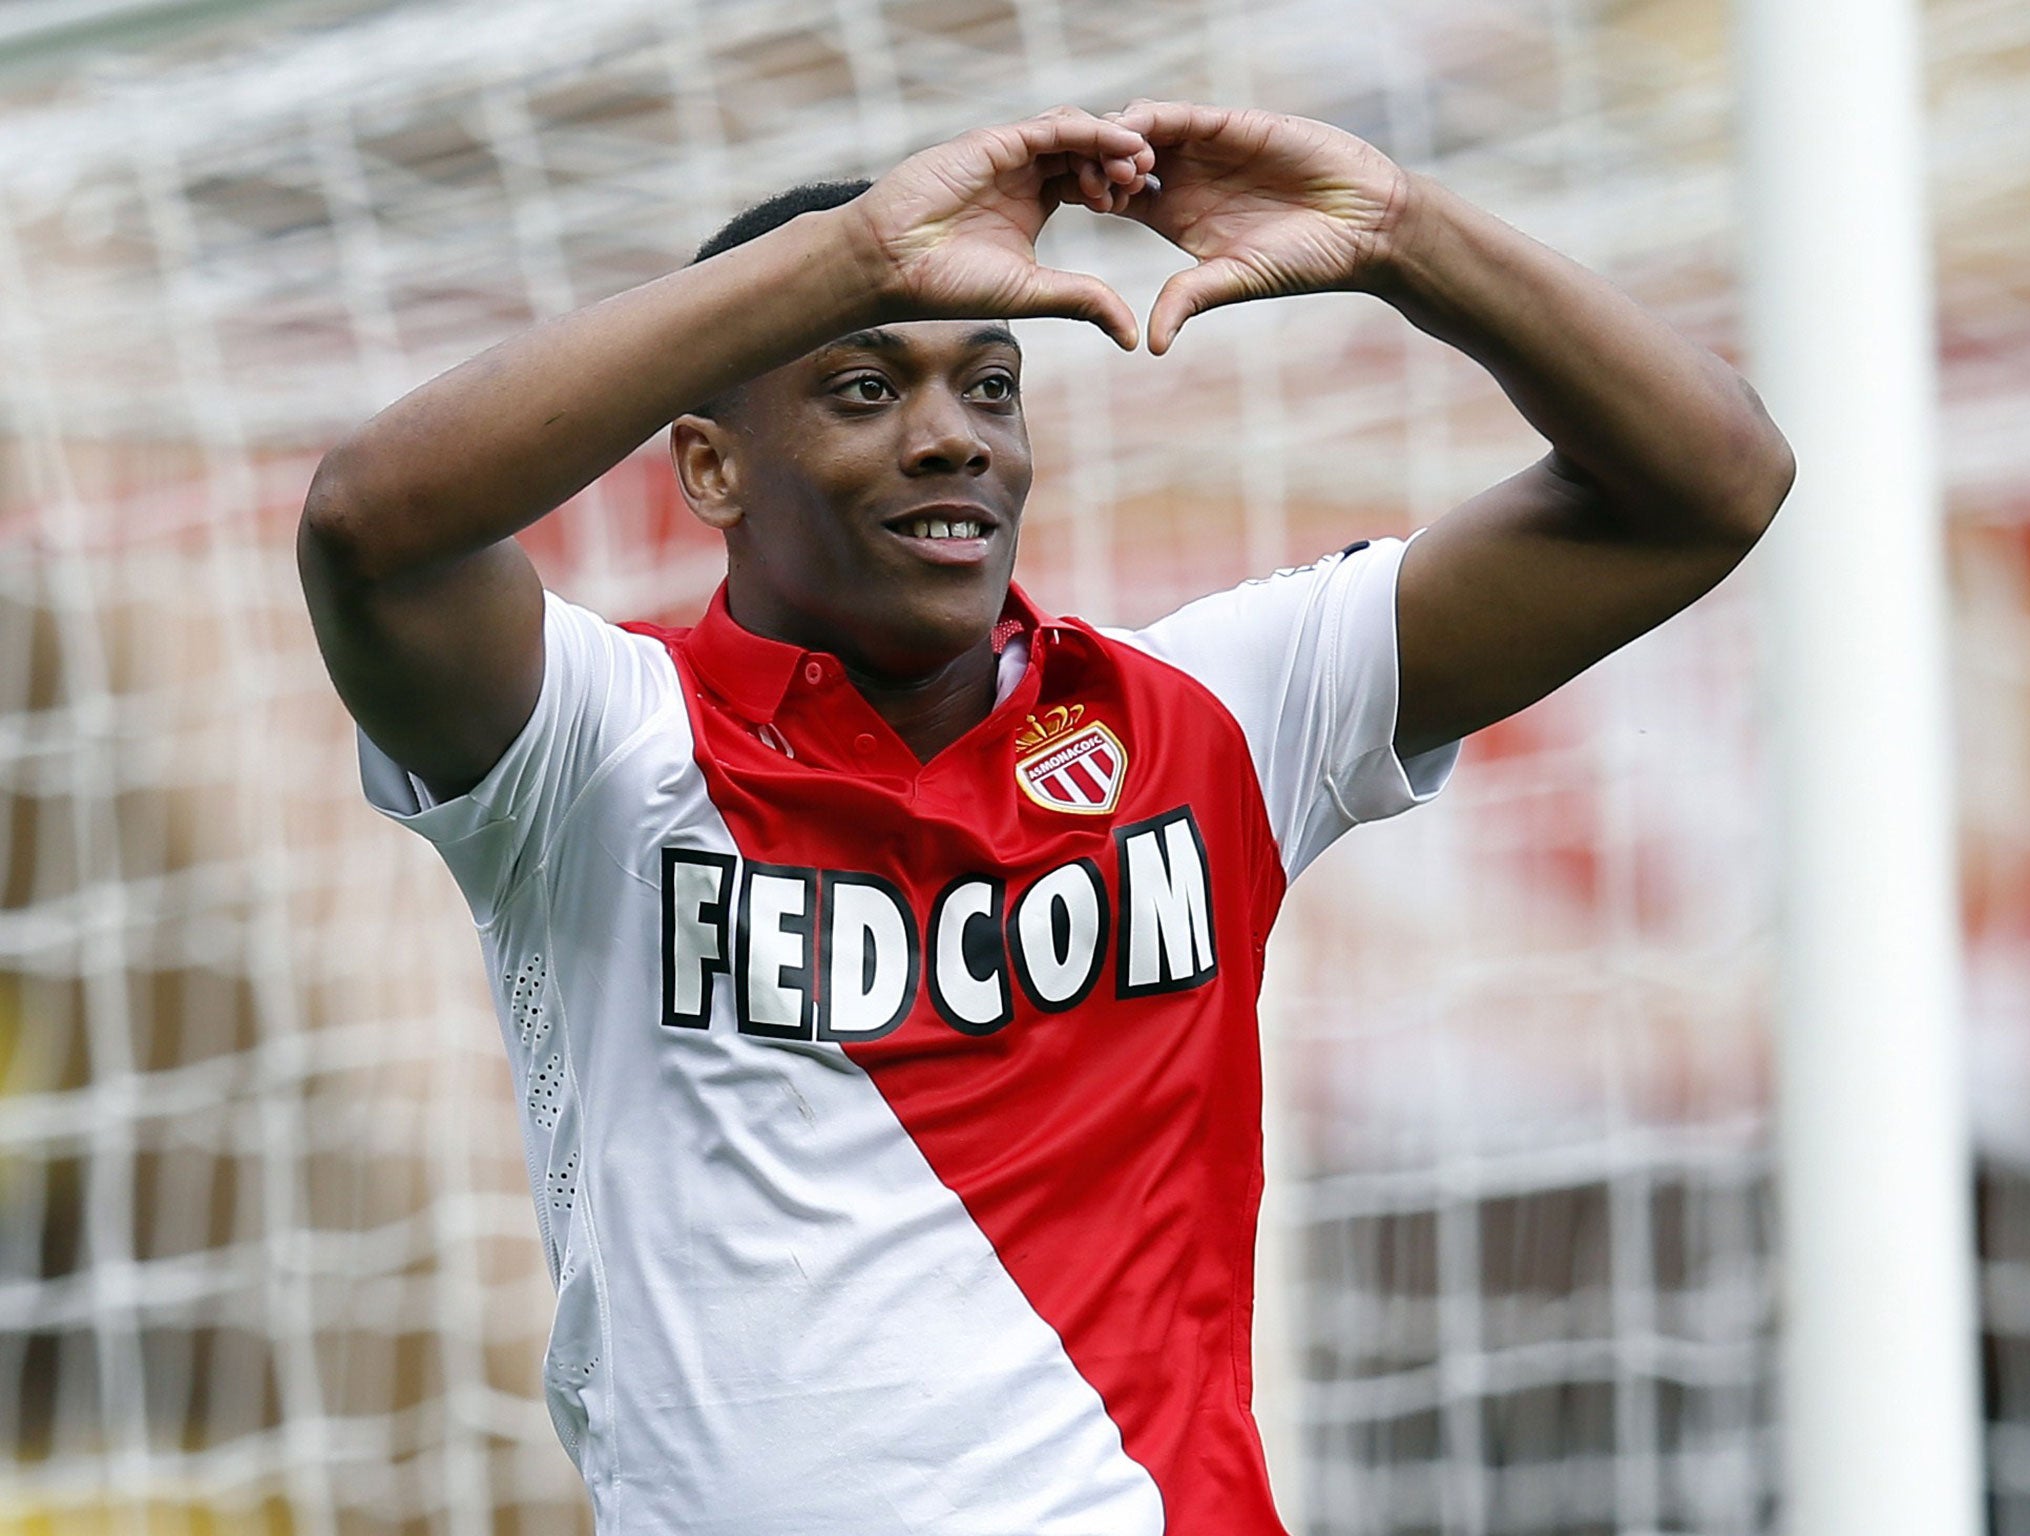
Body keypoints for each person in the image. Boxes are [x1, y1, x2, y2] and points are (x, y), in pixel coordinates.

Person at [299, 101, 1792, 1535]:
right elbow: (372, 527)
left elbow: (1707, 484)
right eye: (866, 386)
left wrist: (1404, 233)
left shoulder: (1217, 712)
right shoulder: (600, 747)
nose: (956, 438)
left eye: (992, 386)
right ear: (709, 464)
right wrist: (854, 254)